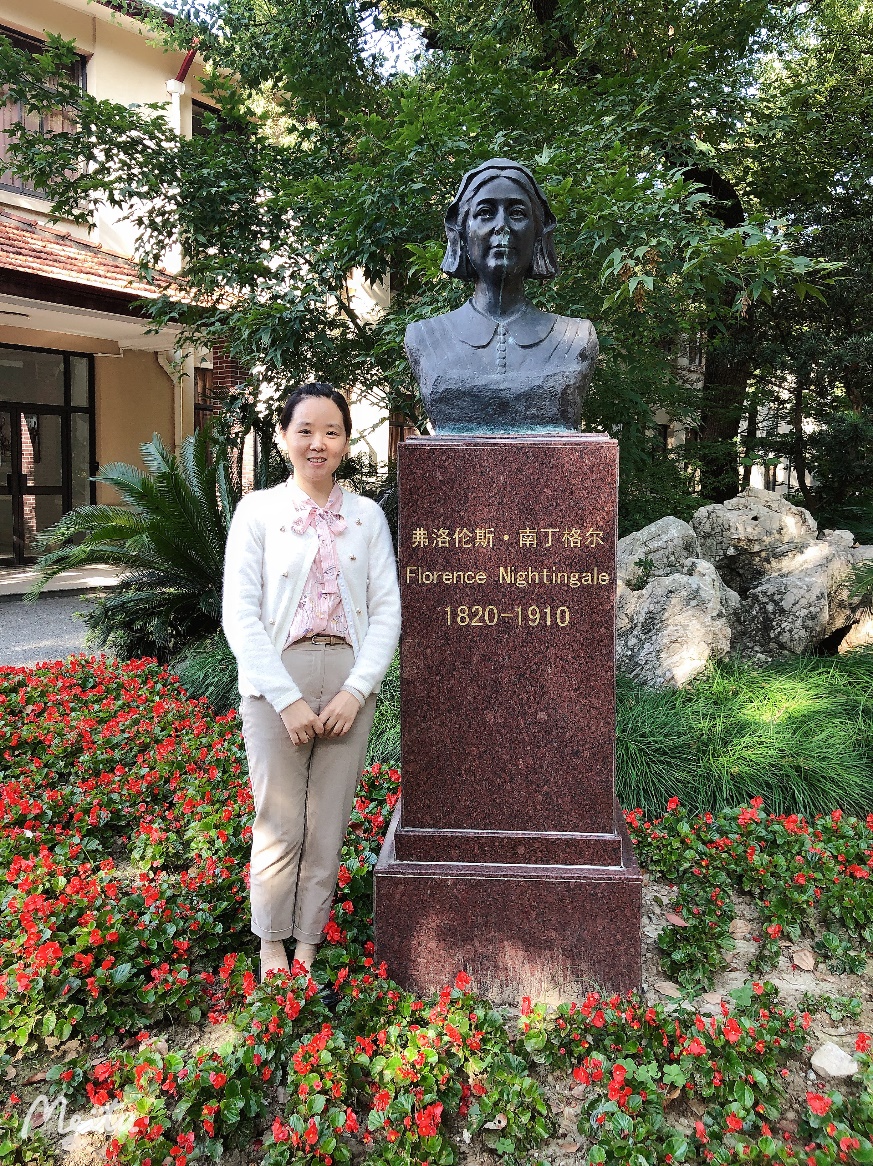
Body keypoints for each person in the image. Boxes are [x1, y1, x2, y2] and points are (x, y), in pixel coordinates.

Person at [222, 383, 401, 981]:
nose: (317, 443)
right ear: (283, 439)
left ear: (346, 442)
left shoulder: (366, 517)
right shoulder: (257, 513)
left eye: (331, 431)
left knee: (327, 824)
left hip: (348, 680)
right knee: (279, 822)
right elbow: (240, 615)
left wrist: (357, 689)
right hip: (278, 680)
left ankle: (307, 940)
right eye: (305, 430)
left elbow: (387, 610)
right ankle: (272, 941)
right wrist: (286, 699)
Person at [404, 157, 598, 433]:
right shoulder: (425, 338)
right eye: (485, 212)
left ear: (538, 233)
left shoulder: (576, 339)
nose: (502, 226)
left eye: (517, 213)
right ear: (462, 232)